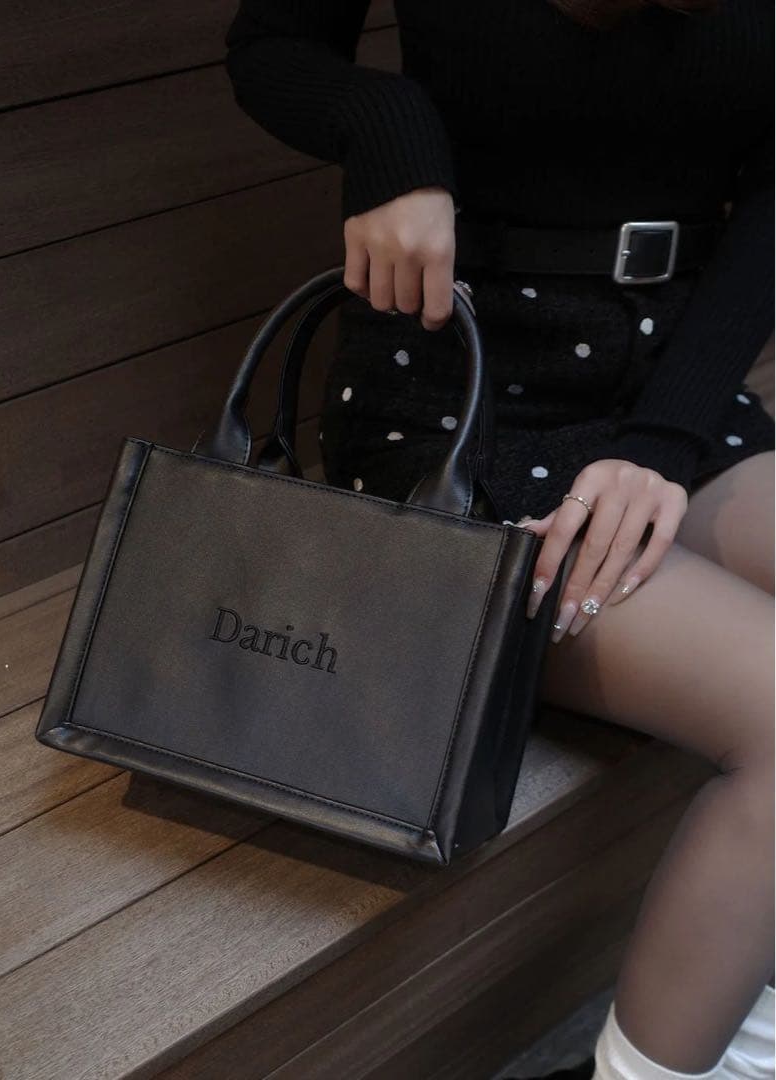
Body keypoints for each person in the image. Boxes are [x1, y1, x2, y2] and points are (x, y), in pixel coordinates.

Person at [222, 2, 775, 1077]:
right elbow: (273, 42)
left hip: (665, 397)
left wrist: (661, 443)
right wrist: (384, 123)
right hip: (453, 414)